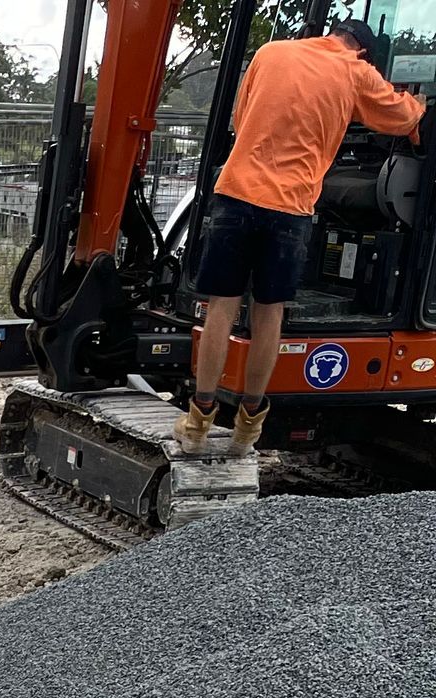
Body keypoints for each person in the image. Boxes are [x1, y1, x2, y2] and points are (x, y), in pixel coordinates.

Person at [178, 17, 424, 455]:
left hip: (236, 193)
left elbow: (241, 117)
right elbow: (403, 119)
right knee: (269, 314)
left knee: (221, 308)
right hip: (290, 207)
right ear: (363, 51)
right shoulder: (357, 73)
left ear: (326, 34)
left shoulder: (271, 53)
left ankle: (198, 421)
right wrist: (419, 105)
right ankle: (248, 429)